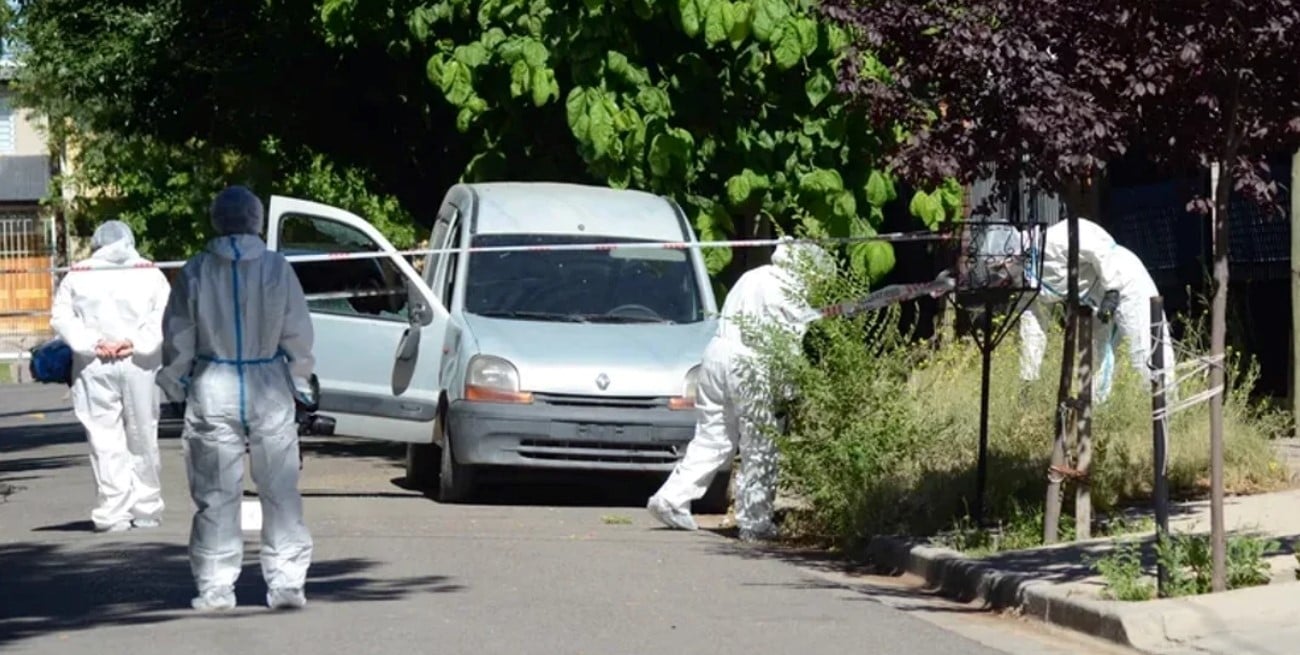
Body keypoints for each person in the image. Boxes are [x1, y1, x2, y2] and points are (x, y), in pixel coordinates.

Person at [158, 185, 316, 612]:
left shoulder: (196, 270)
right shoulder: (276, 268)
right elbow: (298, 332)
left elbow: (178, 335)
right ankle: (287, 582)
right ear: (257, 219)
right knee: (280, 490)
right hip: (269, 385)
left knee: (215, 493)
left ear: (216, 219)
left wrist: (175, 384)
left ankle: (215, 587)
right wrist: (299, 379)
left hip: (214, 383)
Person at [647, 239, 833, 542]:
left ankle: (671, 499)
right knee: (760, 443)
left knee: (713, 437)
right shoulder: (789, 290)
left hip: (715, 356)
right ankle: (755, 522)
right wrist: (788, 393)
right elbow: (785, 344)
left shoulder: (753, 275)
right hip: (750, 363)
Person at [50, 220, 172, 533]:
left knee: (104, 438)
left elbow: (61, 316)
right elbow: (164, 315)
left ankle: (113, 511)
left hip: (95, 364)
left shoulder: (78, 274)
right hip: (138, 362)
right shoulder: (150, 272)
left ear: (97, 242)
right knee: (143, 434)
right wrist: (135, 341)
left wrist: (92, 342)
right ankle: (146, 507)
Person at [976, 218, 1175, 403]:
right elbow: (1032, 326)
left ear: (1011, 256)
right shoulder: (1026, 278)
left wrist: (1112, 289)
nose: (1001, 277)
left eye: (999, 269)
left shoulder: (1055, 239)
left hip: (1124, 282)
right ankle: (1097, 412)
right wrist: (1029, 376)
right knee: (1094, 360)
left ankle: (1165, 408)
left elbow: (1100, 248)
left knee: (1145, 349)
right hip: (1094, 298)